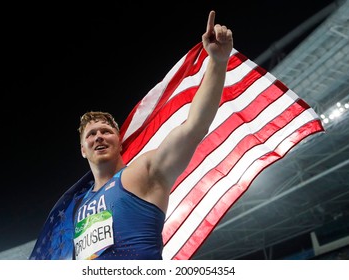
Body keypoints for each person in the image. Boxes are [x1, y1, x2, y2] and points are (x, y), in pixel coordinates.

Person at [31, 10, 233, 260]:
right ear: (83, 149)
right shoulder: (77, 208)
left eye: (106, 131)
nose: (99, 137)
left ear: (119, 141)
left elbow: (194, 127)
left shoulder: (143, 171)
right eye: (91, 134)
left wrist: (218, 61)